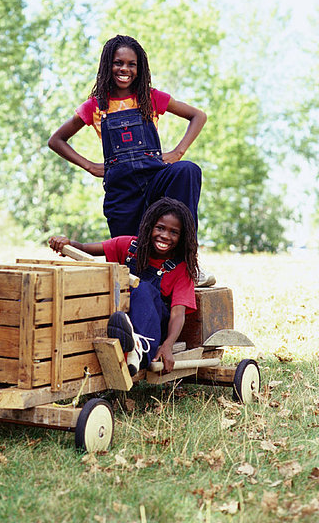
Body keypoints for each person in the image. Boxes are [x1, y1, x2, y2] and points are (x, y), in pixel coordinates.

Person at [48, 34, 215, 287]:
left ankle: (188, 264)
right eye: (118, 63)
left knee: (187, 171)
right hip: (122, 193)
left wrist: (177, 153)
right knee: (133, 269)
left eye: (131, 64)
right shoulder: (95, 106)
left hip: (155, 181)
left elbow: (198, 116)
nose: (124, 69)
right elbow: (56, 140)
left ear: (139, 68)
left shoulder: (151, 97)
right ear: (108, 65)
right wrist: (91, 166)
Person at [48, 197, 198, 375]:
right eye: (160, 228)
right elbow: (83, 248)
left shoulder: (181, 268)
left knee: (143, 289)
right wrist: (66, 243)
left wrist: (167, 345)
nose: (165, 235)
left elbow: (177, 313)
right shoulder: (128, 246)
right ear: (149, 226)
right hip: (121, 316)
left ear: (182, 238)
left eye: (174, 232)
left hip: (152, 326)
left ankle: (139, 349)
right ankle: (124, 339)